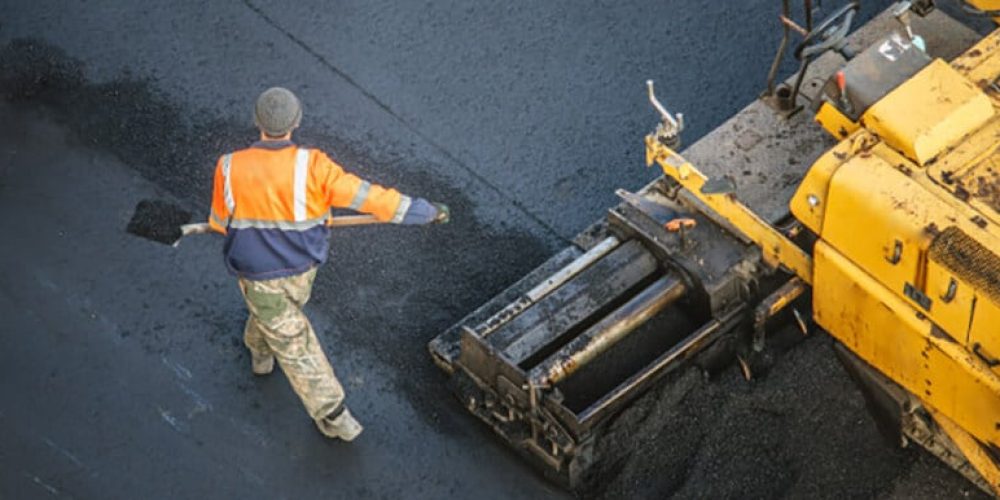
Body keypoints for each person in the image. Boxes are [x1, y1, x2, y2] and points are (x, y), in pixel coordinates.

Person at [207, 87, 449, 441]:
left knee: (277, 317)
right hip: (303, 268)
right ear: (297, 121)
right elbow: (372, 198)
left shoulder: (228, 166)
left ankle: (259, 349)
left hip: (257, 276)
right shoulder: (314, 166)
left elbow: (217, 221)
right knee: (295, 342)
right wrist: (425, 212)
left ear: (256, 122)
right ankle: (333, 414)